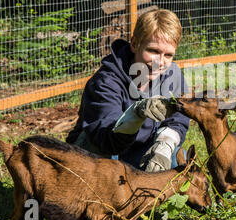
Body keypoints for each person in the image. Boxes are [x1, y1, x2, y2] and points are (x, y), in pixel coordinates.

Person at [66, 9, 189, 172]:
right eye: (153, 51)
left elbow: (179, 117)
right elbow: (106, 139)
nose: (160, 62)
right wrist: (135, 114)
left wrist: (164, 145)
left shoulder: (172, 75)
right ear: (134, 44)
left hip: (140, 149)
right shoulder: (105, 82)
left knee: (180, 161)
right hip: (100, 150)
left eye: (168, 55)